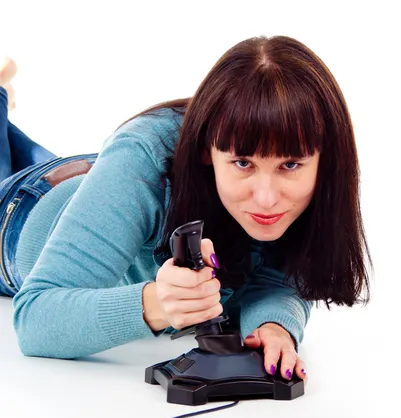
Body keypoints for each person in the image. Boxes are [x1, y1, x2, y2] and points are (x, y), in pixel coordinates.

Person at [0, 35, 373, 382]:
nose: (266, 198)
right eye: (243, 163)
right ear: (205, 151)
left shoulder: (317, 182)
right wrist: (155, 304)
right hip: (23, 215)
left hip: (102, 179)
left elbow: (279, 274)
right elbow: (35, 319)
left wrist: (273, 325)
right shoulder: (144, 156)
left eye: (289, 165)